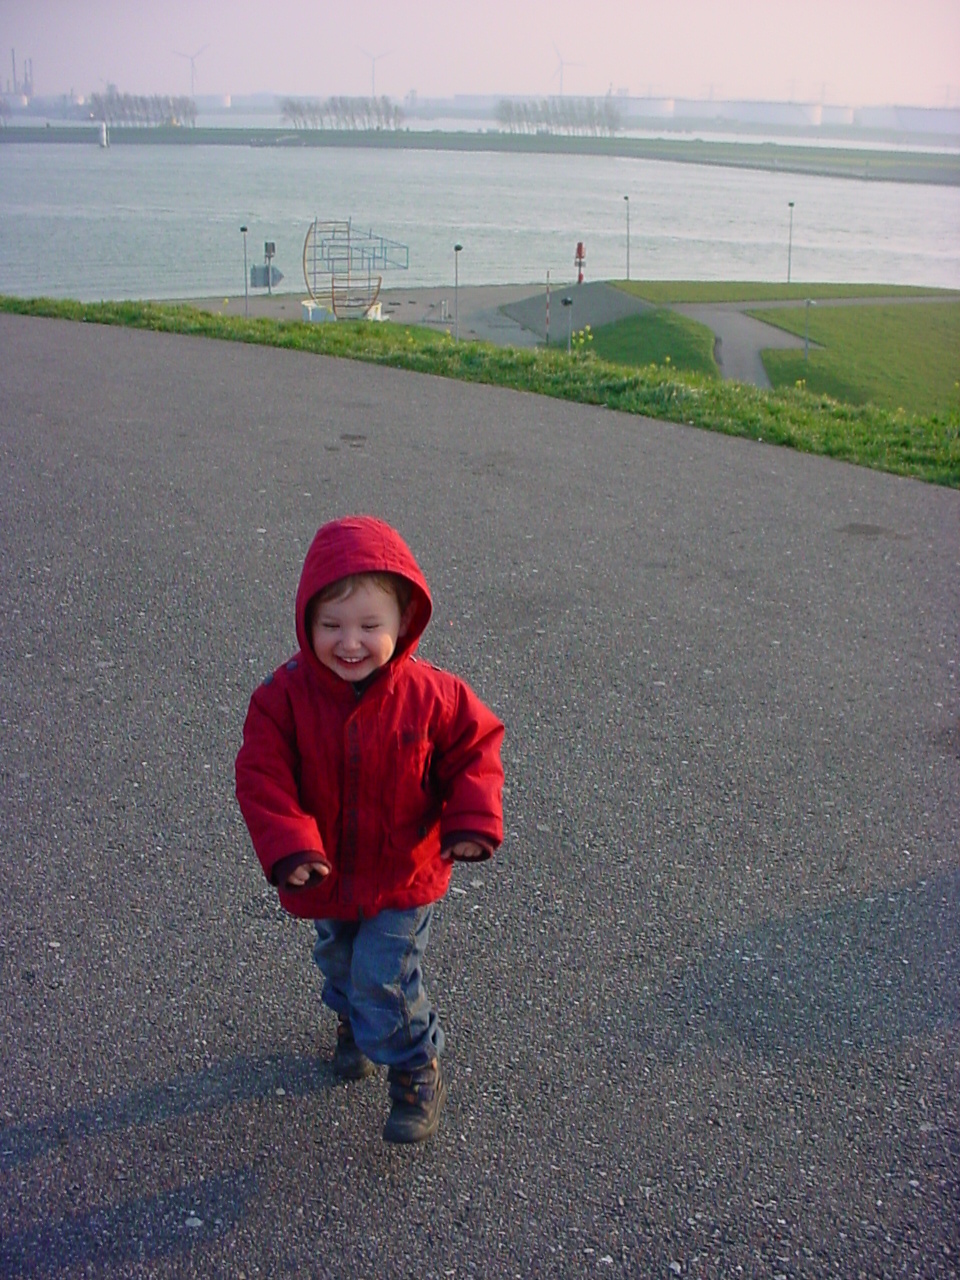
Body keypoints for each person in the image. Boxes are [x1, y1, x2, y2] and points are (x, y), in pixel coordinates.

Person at [235, 515, 504, 1143]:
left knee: (383, 975)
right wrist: (290, 844)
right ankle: (355, 1022)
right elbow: (262, 776)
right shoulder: (282, 698)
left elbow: (476, 750)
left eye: (368, 626)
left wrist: (469, 819)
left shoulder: (434, 696)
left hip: (403, 873)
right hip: (326, 873)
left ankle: (414, 1065)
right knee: (339, 959)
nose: (349, 642)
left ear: (403, 623)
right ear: (307, 621)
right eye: (331, 625)